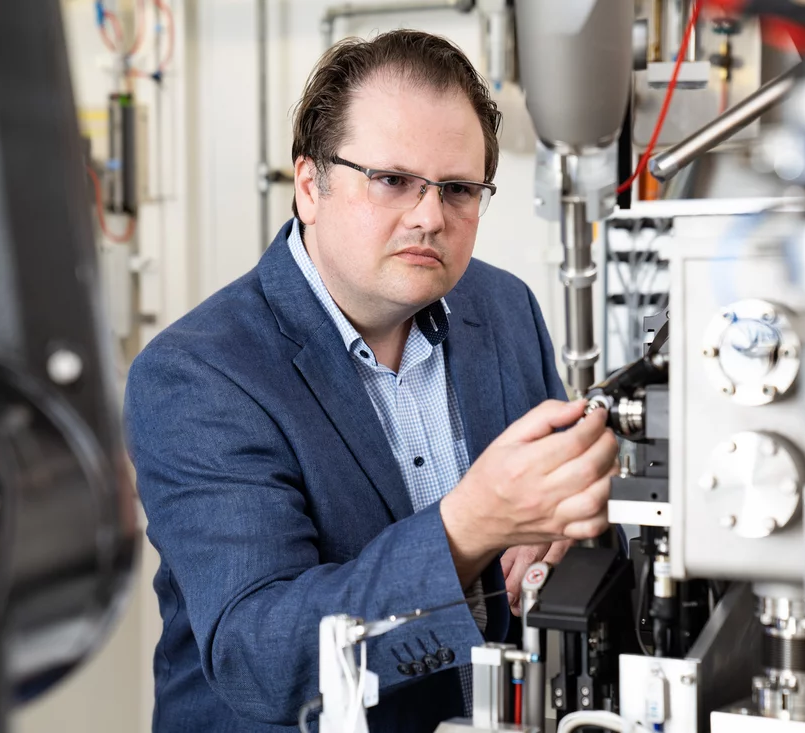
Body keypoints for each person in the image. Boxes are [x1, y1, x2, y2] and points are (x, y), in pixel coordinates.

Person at [124, 29, 618, 733]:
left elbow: (565, 525)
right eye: (391, 180)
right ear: (309, 186)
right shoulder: (199, 373)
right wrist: (466, 528)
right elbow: (261, 657)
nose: (428, 216)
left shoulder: (503, 309)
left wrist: (574, 527)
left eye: (458, 189)